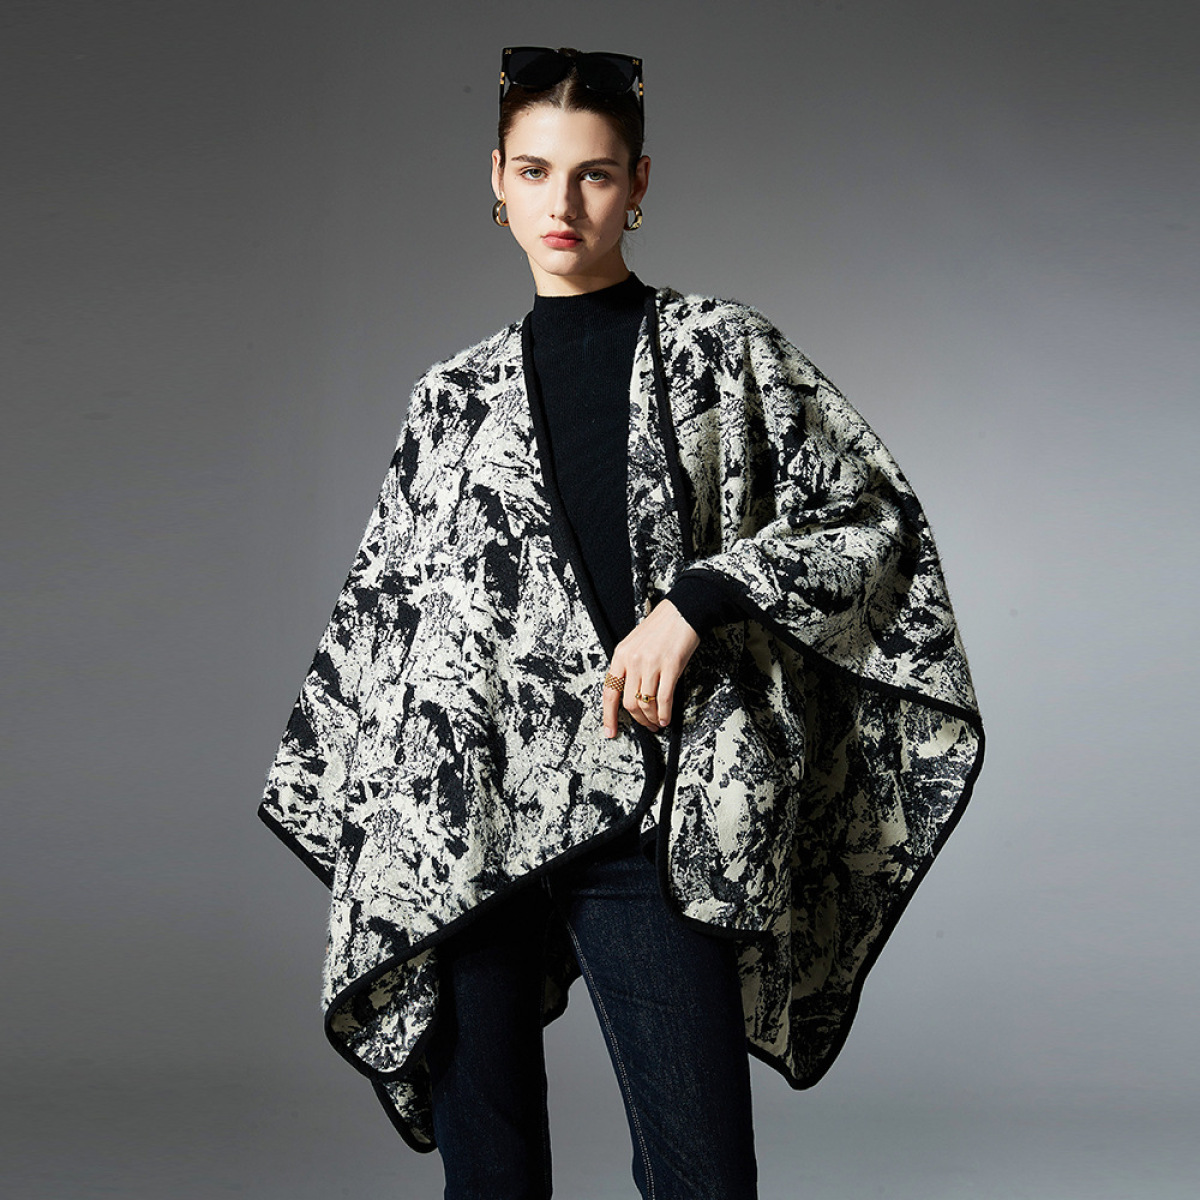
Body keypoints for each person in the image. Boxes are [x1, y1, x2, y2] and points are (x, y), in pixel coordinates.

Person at [258, 45, 984, 1200]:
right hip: (466, 823)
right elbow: (389, 631)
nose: (564, 203)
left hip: (649, 807)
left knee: (701, 1174)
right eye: (535, 171)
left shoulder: (720, 351)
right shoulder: (452, 398)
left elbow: (868, 516)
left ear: (638, 184)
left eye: (594, 174)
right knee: (491, 1178)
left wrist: (696, 602)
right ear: (496, 180)